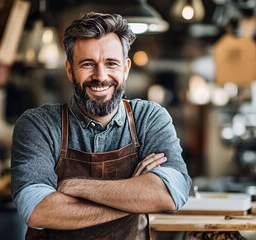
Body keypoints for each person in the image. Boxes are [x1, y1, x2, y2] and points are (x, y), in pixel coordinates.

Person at [11, 12, 191, 239]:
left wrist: (76, 187)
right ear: (70, 70)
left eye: (111, 63)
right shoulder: (39, 125)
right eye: (87, 64)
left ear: (125, 68)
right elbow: (37, 210)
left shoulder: (150, 118)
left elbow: (170, 194)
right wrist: (135, 194)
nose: (100, 76)